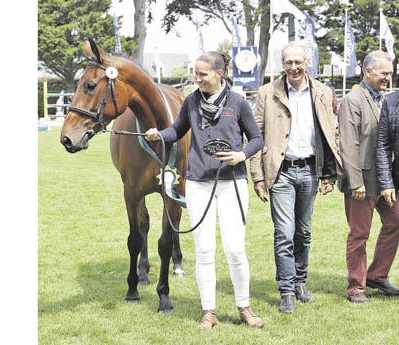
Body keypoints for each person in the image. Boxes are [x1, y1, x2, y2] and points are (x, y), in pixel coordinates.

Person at [144, 51, 264, 330]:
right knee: (205, 249)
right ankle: (208, 311)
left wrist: (241, 155)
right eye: (194, 73)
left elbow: (257, 139)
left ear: (219, 74)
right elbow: (176, 131)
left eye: (202, 74)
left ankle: (244, 306)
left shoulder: (237, 102)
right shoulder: (191, 101)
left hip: (232, 182)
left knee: (235, 250)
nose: (196, 78)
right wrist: (158, 135)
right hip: (198, 183)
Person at [249, 41, 342, 313]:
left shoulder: (323, 92)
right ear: (282, 64)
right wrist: (257, 176)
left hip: (311, 170)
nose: (293, 67)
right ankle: (287, 289)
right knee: (284, 233)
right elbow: (255, 136)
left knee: (304, 231)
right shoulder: (267, 93)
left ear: (307, 63)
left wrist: (329, 175)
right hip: (280, 172)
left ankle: (301, 281)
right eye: (288, 62)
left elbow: (329, 136)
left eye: (298, 62)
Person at [337, 51, 399, 304]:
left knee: (397, 221)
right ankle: (356, 287)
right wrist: (356, 182)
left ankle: (378, 275)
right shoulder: (352, 100)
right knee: (359, 235)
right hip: (361, 183)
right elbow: (348, 144)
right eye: (384, 73)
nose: (388, 77)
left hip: (387, 181)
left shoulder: (388, 100)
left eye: (390, 73)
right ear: (368, 71)